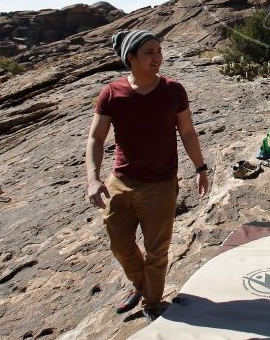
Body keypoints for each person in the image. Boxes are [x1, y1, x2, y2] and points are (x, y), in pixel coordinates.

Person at [85, 30, 210, 322]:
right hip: (121, 182)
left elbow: (188, 131)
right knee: (120, 244)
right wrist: (93, 178)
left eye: (159, 51)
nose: (157, 58)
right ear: (131, 58)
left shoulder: (173, 90)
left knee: (157, 250)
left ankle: (152, 302)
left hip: (161, 185)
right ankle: (140, 285)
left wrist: (201, 168)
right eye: (149, 52)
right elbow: (96, 138)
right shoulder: (112, 93)